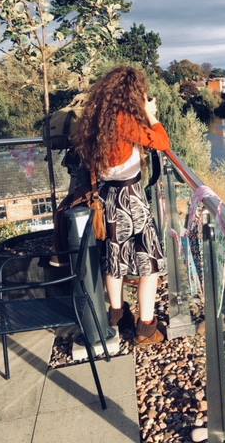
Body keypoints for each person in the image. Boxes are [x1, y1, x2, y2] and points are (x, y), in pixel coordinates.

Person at [75, 66, 171, 345]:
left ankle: (117, 315)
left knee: (114, 260)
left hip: (108, 198)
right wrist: (151, 113)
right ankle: (146, 328)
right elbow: (162, 142)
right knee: (148, 264)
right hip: (131, 199)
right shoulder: (124, 121)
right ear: (132, 93)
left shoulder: (97, 121)